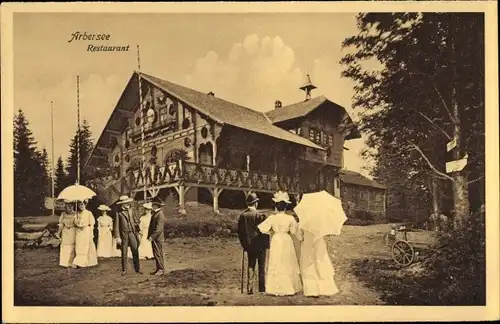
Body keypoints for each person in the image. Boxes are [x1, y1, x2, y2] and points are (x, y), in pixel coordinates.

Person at [257, 190, 302, 296]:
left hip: (276, 239)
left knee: (276, 261)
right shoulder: (290, 218)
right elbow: (294, 231)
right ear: (286, 206)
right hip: (286, 239)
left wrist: (271, 231)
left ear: (276, 206)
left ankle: (275, 287)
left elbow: (262, 228)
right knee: (286, 261)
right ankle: (288, 286)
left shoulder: (272, 218)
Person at [236, 192, 269, 294]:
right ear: (256, 204)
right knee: (261, 267)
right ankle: (262, 289)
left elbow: (240, 232)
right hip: (260, 245)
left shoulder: (243, 216)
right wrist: (267, 244)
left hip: (249, 245)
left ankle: (249, 288)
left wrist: (244, 245)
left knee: (251, 265)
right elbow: (265, 231)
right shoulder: (260, 216)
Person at [296, 227, 340, 297]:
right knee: (321, 264)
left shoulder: (302, 224)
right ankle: (325, 289)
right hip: (319, 244)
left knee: (309, 266)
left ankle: (311, 290)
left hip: (307, 245)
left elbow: (299, 237)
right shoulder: (320, 224)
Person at [113, 195, 142, 275]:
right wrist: (117, 237)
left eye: (128, 203)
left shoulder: (131, 210)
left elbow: (135, 221)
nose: (127, 204)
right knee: (124, 252)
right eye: (125, 203)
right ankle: (124, 270)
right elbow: (116, 226)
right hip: (123, 235)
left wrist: (139, 230)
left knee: (135, 250)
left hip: (132, 233)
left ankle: (137, 268)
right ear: (122, 204)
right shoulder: (118, 213)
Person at [73, 200, 98, 268]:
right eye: (79, 205)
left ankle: (85, 262)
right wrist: (76, 220)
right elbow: (75, 223)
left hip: (86, 231)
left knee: (85, 246)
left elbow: (92, 223)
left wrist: (91, 232)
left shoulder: (88, 213)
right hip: (79, 231)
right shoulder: (77, 213)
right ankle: (79, 261)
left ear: (85, 205)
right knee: (79, 246)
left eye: (82, 205)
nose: (80, 206)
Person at [147, 196, 166, 276]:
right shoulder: (156, 213)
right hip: (156, 238)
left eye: (153, 204)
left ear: (156, 205)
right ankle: (158, 268)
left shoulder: (160, 214)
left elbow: (159, 229)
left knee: (158, 253)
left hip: (157, 238)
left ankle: (161, 269)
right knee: (156, 253)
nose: (151, 206)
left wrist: (152, 236)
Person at [56, 200, 77, 267]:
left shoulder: (76, 214)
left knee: (72, 246)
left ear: (73, 206)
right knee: (65, 246)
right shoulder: (63, 214)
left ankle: (71, 262)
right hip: (65, 231)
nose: (70, 207)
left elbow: (77, 224)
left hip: (73, 230)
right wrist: (58, 233)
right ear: (66, 206)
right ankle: (64, 262)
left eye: (71, 206)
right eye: (68, 206)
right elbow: (61, 224)